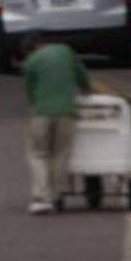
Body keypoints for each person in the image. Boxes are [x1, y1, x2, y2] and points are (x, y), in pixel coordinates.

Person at [22, 33, 90, 214]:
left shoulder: (30, 63)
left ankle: (41, 197)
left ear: (32, 48)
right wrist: (86, 92)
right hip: (67, 112)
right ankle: (56, 195)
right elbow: (82, 77)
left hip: (41, 114)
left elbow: (30, 94)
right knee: (60, 154)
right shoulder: (66, 51)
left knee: (38, 154)